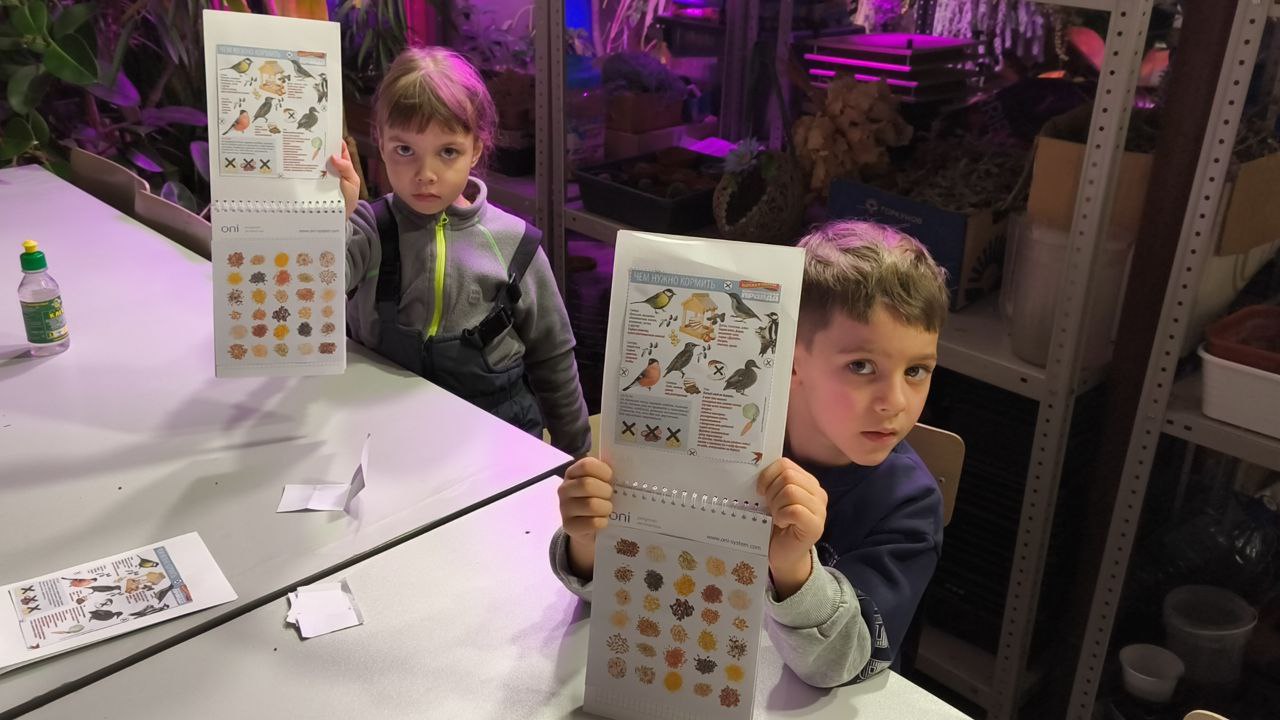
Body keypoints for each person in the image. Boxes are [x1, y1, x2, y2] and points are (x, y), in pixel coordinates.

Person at [550, 220, 949, 685]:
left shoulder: (909, 503)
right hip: (690, 670)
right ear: (790, 360)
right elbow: (635, 593)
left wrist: (794, 567)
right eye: (861, 366)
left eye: (917, 371)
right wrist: (588, 543)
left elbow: (843, 666)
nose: (895, 403)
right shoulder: (729, 437)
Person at [329, 47, 590, 457]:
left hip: (498, 442)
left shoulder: (515, 244)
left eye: (447, 151)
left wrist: (575, 461)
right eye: (405, 150)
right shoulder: (365, 230)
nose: (425, 174)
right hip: (388, 436)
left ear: (477, 149)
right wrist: (330, 219)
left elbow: (554, 359)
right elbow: (308, 296)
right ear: (379, 143)